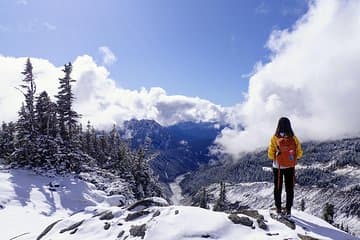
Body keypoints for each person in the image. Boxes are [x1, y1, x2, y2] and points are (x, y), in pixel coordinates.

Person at [268, 117, 303, 217]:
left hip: (278, 167)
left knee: (278, 188)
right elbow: (300, 152)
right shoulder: (293, 138)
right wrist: (293, 158)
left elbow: (270, 154)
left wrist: (276, 157)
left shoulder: (275, 137)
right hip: (290, 166)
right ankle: (288, 210)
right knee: (289, 188)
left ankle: (278, 209)